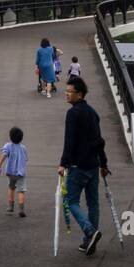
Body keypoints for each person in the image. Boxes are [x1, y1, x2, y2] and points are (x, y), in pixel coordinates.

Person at [57, 76, 109, 254]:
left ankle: (90, 231)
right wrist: (103, 163)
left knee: (70, 201)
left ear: (79, 94)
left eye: (69, 92)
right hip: (93, 165)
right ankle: (89, 242)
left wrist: (63, 163)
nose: (66, 94)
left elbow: (69, 141)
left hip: (78, 165)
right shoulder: (93, 113)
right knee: (93, 203)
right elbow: (99, 141)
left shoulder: (73, 113)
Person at [0, 126, 28, 217]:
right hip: (20, 173)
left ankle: (10, 206)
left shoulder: (8, 146)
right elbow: (26, 159)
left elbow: (4, 155)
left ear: (10, 137)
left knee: (11, 188)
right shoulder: (23, 148)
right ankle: (21, 209)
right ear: (21, 138)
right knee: (21, 191)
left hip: (10, 173)